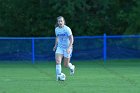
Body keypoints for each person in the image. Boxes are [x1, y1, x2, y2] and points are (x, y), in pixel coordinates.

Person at [53, 16, 75, 80]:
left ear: (64, 22)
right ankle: (59, 76)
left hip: (67, 48)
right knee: (58, 61)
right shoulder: (56, 29)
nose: (60, 22)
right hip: (60, 47)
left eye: (61, 21)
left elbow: (71, 38)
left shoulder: (67, 29)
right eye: (59, 21)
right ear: (57, 22)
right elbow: (57, 37)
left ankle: (71, 67)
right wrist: (55, 45)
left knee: (65, 65)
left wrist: (69, 47)